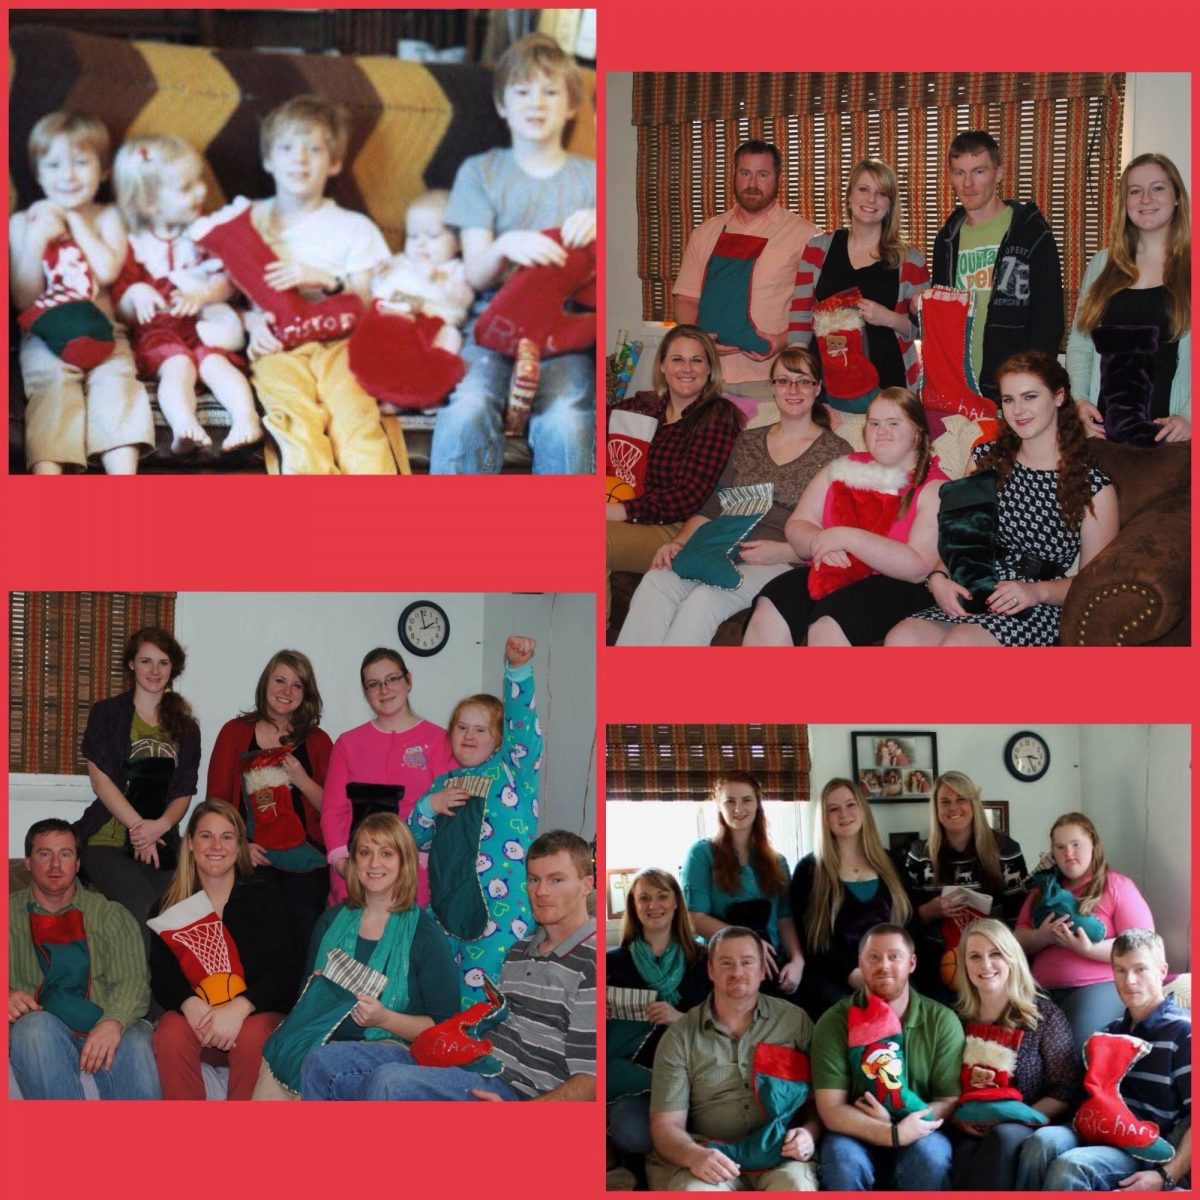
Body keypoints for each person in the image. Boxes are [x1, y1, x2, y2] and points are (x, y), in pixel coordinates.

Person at [300, 829, 596, 1101]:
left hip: (514, 1090)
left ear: (586, 885)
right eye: (534, 879)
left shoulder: (591, 960)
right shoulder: (519, 950)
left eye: (556, 880)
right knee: (322, 1062)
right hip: (470, 1058)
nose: (541, 891)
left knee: (391, 1082)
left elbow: (591, 1080)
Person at [430, 32, 595, 474]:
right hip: (491, 321)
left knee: (568, 421)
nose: (535, 103)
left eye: (550, 91)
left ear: (572, 105)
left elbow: (615, 276)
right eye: (522, 92)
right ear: (503, 104)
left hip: (565, 331)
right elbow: (477, 274)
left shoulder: (593, 179)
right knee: (467, 409)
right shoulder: (480, 172)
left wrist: (603, 225)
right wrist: (505, 245)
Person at [616, 345, 851, 645]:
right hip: (721, 547)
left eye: (803, 381)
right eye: (783, 381)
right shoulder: (749, 439)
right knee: (656, 581)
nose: (793, 389)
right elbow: (714, 506)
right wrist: (678, 543)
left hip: (782, 561)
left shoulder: (837, 452)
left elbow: (839, 534)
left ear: (817, 388)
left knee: (704, 599)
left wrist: (784, 552)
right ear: (773, 389)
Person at [888, 351, 1119, 647]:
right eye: (1009, 400)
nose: (1018, 410)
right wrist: (938, 578)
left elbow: (1091, 582)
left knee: (961, 644)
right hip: (975, 588)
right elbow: (959, 536)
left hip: (1034, 605)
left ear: (1059, 396)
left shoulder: (1094, 487)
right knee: (901, 638)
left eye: (1030, 396)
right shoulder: (985, 460)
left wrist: (1036, 592)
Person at [237, 94, 403, 474]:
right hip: (278, 343)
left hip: (340, 343)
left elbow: (368, 302)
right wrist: (251, 323)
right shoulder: (247, 222)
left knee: (355, 420)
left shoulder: (354, 227)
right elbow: (227, 291)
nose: (299, 158)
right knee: (294, 422)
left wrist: (327, 281)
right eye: (287, 147)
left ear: (334, 163)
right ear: (268, 159)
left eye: (314, 149)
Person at [254, 813, 458, 1099]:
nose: (374, 863)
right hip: (322, 1042)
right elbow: (303, 1006)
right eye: (365, 853)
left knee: (321, 1062)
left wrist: (384, 1018)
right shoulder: (329, 922)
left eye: (386, 853)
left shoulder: (425, 935)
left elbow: (445, 1028)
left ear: (404, 863)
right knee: (277, 1052)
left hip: (394, 1052)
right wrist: (316, 994)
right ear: (354, 862)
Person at [743, 387, 947, 646]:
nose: (881, 431)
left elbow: (918, 566)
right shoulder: (845, 467)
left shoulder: (935, 487)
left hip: (897, 584)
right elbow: (798, 523)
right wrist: (820, 542)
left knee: (829, 623)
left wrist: (844, 538)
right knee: (771, 603)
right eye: (874, 423)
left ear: (917, 431)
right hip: (833, 570)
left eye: (893, 423)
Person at [10, 111, 153, 473]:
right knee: (52, 388)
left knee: (117, 383)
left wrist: (73, 219)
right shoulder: (21, 223)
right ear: (38, 174)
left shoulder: (108, 217)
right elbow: (24, 300)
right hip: (44, 334)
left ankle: (123, 477)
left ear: (103, 170)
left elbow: (106, 271)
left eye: (81, 162)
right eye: (54, 165)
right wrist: (37, 239)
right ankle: (49, 475)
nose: (68, 175)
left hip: (105, 331)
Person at [408, 636, 543, 1006]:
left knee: (483, 1003)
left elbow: (524, 728)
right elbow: (409, 840)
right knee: (439, 996)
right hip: (445, 909)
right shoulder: (441, 784)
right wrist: (428, 807)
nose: (469, 736)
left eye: (480, 730)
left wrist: (518, 669)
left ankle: (478, 1059)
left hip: (499, 917)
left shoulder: (513, 772)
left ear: (498, 739)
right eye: (461, 728)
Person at [111, 133, 261, 454]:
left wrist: (205, 293)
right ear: (149, 203)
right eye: (186, 188)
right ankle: (184, 425)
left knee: (219, 367)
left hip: (205, 327)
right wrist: (136, 292)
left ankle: (247, 419)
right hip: (161, 334)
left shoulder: (205, 232)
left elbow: (230, 279)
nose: (202, 191)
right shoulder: (135, 244)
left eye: (199, 181)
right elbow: (120, 308)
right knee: (178, 367)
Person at [647, 926, 821, 1190]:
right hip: (709, 1154)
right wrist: (694, 1156)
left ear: (763, 970)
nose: (737, 972)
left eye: (747, 963)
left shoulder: (794, 1022)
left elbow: (821, 1099)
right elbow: (665, 1125)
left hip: (781, 1154)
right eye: (726, 963)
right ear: (710, 971)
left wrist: (809, 1132)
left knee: (796, 1187)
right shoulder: (679, 1037)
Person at [1017, 929, 1190, 1191]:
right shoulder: (1107, 1033)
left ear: (1162, 970)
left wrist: (1166, 1176)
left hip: (1145, 1147)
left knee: (1072, 1166)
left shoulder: (1184, 1032)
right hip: (1097, 1129)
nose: (1129, 980)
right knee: (1040, 1142)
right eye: (1120, 970)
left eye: (1140, 969)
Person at [148, 800, 294, 1100]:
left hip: (257, 1020)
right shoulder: (167, 908)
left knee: (253, 1034)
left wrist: (239, 1008)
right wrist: (191, 1006)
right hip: (200, 1023)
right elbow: (163, 977)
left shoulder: (266, 896)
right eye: (206, 836)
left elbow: (283, 972)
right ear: (190, 843)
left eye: (227, 837)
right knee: (170, 1031)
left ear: (240, 846)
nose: (216, 845)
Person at [205, 649, 332, 990]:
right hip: (251, 853)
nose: (287, 690)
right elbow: (216, 804)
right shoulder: (234, 733)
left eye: (297, 685)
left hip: (305, 856)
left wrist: (302, 779)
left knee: (306, 918)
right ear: (266, 683)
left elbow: (333, 808)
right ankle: (254, 1003)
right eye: (280, 680)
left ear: (307, 695)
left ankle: (298, 1004)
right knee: (255, 920)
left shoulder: (318, 742)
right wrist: (238, 847)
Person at [9, 819, 158, 1099]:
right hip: (45, 1027)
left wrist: (113, 1021)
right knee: (32, 1028)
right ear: (28, 862)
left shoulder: (111, 915)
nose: (55, 865)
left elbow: (134, 984)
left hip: (104, 1016)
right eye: (44, 854)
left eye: (65, 854)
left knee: (137, 1041)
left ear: (77, 864)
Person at [605, 324, 742, 628]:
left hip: (681, 528)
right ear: (663, 365)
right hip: (633, 513)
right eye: (677, 359)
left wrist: (619, 510)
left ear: (709, 369)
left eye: (697, 360)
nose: (687, 369)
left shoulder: (718, 416)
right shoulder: (644, 409)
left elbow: (689, 495)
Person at [811, 924, 964, 1190]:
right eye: (873, 957)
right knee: (843, 1161)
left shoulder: (942, 1021)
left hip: (920, 1127)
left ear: (912, 963)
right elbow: (831, 1109)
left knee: (931, 1157)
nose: (884, 965)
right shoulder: (834, 1021)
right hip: (855, 1129)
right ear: (860, 963)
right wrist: (891, 1133)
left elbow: (948, 1101)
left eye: (894, 956)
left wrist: (905, 1125)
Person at [76, 626, 201, 936]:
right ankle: (142, 986)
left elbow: (184, 790)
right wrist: (138, 828)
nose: (154, 670)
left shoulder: (186, 727)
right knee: (144, 907)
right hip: (106, 840)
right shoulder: (106, 714)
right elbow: (101, 781)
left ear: (173, 668)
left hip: (162, 840)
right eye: (146, 661)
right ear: (131, 664)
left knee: (186, 910)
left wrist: (157, 827)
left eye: (163, 662)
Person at [674, 139, 818, 399]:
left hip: (771, 380)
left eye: (762, 174)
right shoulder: (705, 233)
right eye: (745, 173)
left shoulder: (805, 236)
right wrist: (700, 340)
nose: (752, 183)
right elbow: (686, 298)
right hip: (708, 377)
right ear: (734, 176)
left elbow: (821, 309)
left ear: (778, 179)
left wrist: (783, 340)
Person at [930, 130, 1063, 402]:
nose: (968, 183)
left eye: (978, 171)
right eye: (959, 173)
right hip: (958, 386)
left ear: (998, 173)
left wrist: (1032, 386)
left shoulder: (1030, 233)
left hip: (1013, 389)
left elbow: (1049, 318)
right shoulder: (946, 239)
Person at [1068, 153, 1191, 443]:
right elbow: (1080, 343)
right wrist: (1079, 400)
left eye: (1158, 187)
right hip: (1101, 435)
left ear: (1176, 198)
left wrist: (1190, 417)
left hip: (1172, 437)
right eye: (1135, 191)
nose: (1146, 199)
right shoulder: (1101, 264)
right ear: (1125, 204)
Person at [320, 647, 454, 909]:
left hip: (416, 875)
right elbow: (332, 811)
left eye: (392, 679)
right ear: (365, 692)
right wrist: (343, 863)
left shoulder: (440, 741)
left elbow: (447, 814)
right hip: (355, 873)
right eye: (374, 684)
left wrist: (423, 862)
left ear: (408, 680)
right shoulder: (347, 743)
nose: (384, 689)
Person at [951, 918, 1079, 1190]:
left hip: (1028, 1120)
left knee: (1000, 1138)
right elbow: (943, 1084)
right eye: (975, 956)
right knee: (960, 1151)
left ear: (1011, 958)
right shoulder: (956, 1021)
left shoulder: (1044, 1016)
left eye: (995, 953)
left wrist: (1018, 1117)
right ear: (964, 965)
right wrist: (959, 1120)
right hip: (968, 1121)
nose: (985, 965)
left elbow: (1066, 1088)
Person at [789, 159, 929, 403]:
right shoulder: (817, 249)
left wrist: (889, 318)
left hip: (888, 388)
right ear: (850, 197)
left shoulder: (911, 260)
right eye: (863, 189)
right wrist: (799, 373)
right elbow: (800, 317)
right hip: (824, 385)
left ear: (890, 205)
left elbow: (926, 330)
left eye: (881, 193)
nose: (871, 199)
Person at [1014, 812, 1154, 1050]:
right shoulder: (1043, 892)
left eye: (1075, 845)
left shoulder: (1117, 886)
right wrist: (1042, 937)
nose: (1068, 854)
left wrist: (1087, 949)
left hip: (1098, 985)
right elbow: (1017, 939)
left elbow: (1142, 945)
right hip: (1041, 989)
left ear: (1093, 844)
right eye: (1060, 847)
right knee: (1022, 1049)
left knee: (1072, 1048)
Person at [607, 869, 711, 1158]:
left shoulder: (704, 959)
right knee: (631, 1132)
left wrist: (680, 1018)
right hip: (637, 1083)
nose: (654, 905)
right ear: (634, 906)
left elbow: (726, 1023)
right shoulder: (612, 963)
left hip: (694, 1073)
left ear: (677, 902)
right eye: (644, 898)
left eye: (662, 896)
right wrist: (597, 1016)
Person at [790, 779, 913, 1018]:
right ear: (823, 818)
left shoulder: (893, 864)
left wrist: (893, 973)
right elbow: (809, 939)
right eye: (833, 809)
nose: (843, 814)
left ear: (863, 809)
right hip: (834, 982)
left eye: (850, 804)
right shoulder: (809, 870)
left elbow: (909, 925)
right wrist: (851, 973)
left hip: (894, 976)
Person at [901, 771, 1028, 997]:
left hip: (993, 958)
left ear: (974, 804)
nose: (953, 807)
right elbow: (904, 919)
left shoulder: (1005, 849)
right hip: (936, 960)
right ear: (936, 809)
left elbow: (1019, 915)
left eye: (961, 799)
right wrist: (931, 910)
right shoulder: (919, 854)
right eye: (945, 802)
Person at [681, 772, 802, 995]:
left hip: (772, 967)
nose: (738, 808)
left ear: (758, 805)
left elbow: (785, 919)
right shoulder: (700, 855)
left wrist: (797, 961)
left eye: (746, 800)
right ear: (718, 806)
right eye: (730, 801)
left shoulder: (778, 862)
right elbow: (694, 918)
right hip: (723, 969)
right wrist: (750, 942)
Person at [370, 189, 474, 356]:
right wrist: (379, 275)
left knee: (450, 337)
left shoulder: (455, 268)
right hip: (395, 314)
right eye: (413, 236)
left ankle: (432, 366)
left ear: (460, 242)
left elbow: (465, 299)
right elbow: (378, 291)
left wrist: (437, 278)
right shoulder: (400, 260)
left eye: (432, 236)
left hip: (434, 322)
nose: (420, 243)